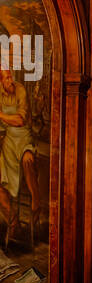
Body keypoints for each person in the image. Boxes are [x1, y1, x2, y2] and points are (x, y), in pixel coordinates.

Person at [0, 67, 42, 246]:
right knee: (1, 185)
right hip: (9, 141)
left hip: (24, 138)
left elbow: (21, 120)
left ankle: (36, 205)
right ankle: (13, 222)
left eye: (10, 76)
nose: (10, 80)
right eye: (6, 77)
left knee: (28, 160)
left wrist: (1, 115)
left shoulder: (21, 91)